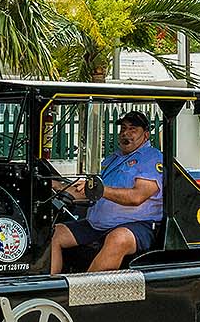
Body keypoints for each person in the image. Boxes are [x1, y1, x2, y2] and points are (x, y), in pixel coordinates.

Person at [50, 112, 164, 273]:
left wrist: (101, 190)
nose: (125, 133)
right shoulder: (111, 159)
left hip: (138, 226)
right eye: (123, 129)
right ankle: (52, 290)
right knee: (56, 233)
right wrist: (53, 185)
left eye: (132, 129)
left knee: (118, 238)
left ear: (145, 135)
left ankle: (85, 294)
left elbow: (136, 197)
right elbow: (89, 193)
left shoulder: (152, 158)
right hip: (97, 225)